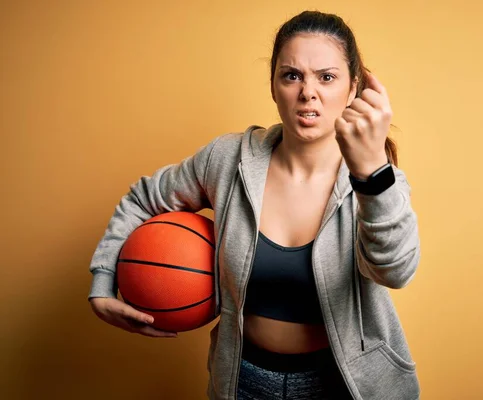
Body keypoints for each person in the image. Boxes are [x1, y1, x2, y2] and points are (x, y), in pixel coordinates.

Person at [88, 10, 421, 400]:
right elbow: (144, 198)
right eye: (292, 75)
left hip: (343, 385)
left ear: (352, 90)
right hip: (243, 381)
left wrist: (370, 172)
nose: (308, 92)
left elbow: (396, 270)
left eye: (326, 77)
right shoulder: (228, 159)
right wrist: (103, 280)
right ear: (274, 85)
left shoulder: (377, 182)